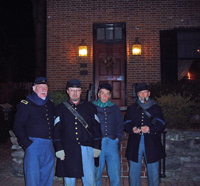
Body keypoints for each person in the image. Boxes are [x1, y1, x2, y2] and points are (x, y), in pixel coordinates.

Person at [54, 79, 102, 186]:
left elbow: (96, 129)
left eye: (77, 90)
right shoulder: (61, 108)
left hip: (86, 148)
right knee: (69, 181)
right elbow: (57, 131)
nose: (75, 93)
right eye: (72, 90)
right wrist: (59, 148)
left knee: (89, 180)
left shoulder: (90, 107)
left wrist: (97, 147)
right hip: (68, 149)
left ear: (81, 91)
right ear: (67, 91)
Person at [13, 77, 55, 186]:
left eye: (45, 87)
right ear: (33, 88)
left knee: (47, 174)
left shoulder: (50, 103)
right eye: (40, 87)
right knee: (33, 176)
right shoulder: (26, 104)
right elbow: (18, 125)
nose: (43, 89)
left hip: (49, 145)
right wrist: (26, 144)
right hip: (33, 145)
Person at [124, 82, 165, 186]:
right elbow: (126, 123)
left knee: (154, 173)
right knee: (134, 173)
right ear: (138, 94)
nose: (143, 95)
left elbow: (161, 124)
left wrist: (150, 129)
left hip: (152, 143)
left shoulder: (156, 108)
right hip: (135, 143)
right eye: (140, 93)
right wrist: (132, 128)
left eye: (145, 92)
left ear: (149, 93)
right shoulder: (132, 108)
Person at [93, 83, 124, 186]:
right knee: (97, 173)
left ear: (110, 96)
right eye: (102, 93)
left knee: (115, 174)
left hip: (112, 144)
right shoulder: (92, 107)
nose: (105, 96)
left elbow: (120, 124)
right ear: (98, 94)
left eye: (107, 94)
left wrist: (117, 139)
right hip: (97, 145)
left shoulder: (115, 108)